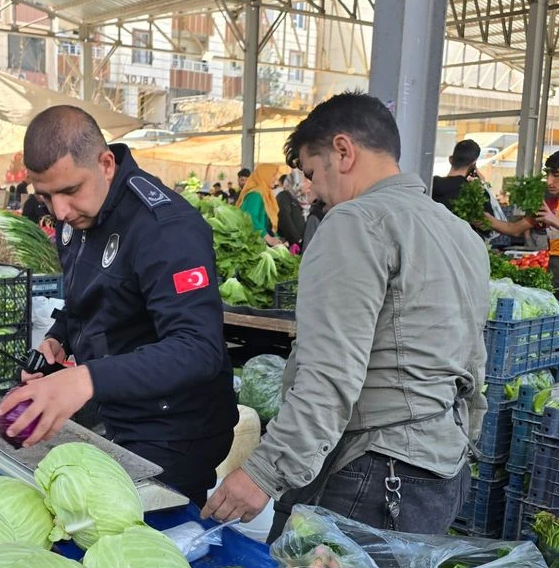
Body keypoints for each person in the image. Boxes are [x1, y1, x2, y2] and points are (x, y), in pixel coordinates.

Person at [202, 91, 489, 537]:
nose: (313, 190)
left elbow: (330, 370)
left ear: (343, 150)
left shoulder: (357, 222)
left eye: (313, 173)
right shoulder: (461, 233)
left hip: (372, 472)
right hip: (440, 469)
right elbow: (474, 365)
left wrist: (264, 472)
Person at [0, 105, 238, 507]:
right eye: (46, 196)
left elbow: (199, 348)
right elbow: (89, 300)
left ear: (106, 164)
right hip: (119, 414)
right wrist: (60, 340)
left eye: (70, 190)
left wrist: (84, 379)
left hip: (173, 433)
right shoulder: (77, 218)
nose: (59, 211)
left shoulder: (165, 228)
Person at [486, 149, 559, 339]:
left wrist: (554, 219)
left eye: (556, 175)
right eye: (547, 174)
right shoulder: (550, 203)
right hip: (555, 267)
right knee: (554, 320)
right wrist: (485, 219)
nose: (549, 181)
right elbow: (514, 228)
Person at [236, 163, 280, 237]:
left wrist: (276, 237)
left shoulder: (266, 193)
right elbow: (250, 218)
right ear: (264, 175)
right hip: (254, 240)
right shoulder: (256, 194)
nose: (276, 178)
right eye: (273, 175)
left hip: (260, 240)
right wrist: (268, 238)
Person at [276, 172, 307, 245]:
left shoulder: (302, 198)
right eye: (305, 181)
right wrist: (298, 240)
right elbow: (286, 220)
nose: (309, 184)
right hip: (292, 244)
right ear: (297, 183)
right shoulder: (284, 197)